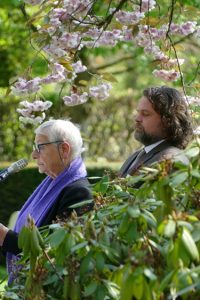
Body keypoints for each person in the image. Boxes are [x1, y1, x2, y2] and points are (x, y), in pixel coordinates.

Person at [0, 119, 93, 281]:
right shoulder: (52, 184)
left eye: (40, 147)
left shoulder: (79, 193)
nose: (33, 155)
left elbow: (52, 256)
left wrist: (3, 236)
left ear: (64, 149)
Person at [119, 86, 193, 177]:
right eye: (138, 112)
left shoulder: (172, 161)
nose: (137, 119)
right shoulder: (136, 155)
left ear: (168, 120)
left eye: (145, 114)